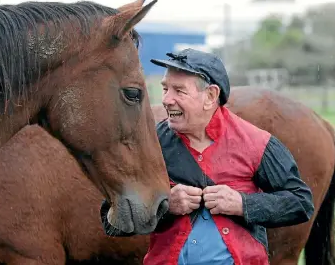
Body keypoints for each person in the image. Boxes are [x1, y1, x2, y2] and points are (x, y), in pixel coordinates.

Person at [100, 48, 315, 265]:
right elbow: (112, 221)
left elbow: (301, 203)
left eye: (179, 91)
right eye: (165, 88)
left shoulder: (258, 143)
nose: (166, 99)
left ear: (210, 96)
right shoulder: (150, 144)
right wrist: (165, 205)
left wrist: (243, 204)